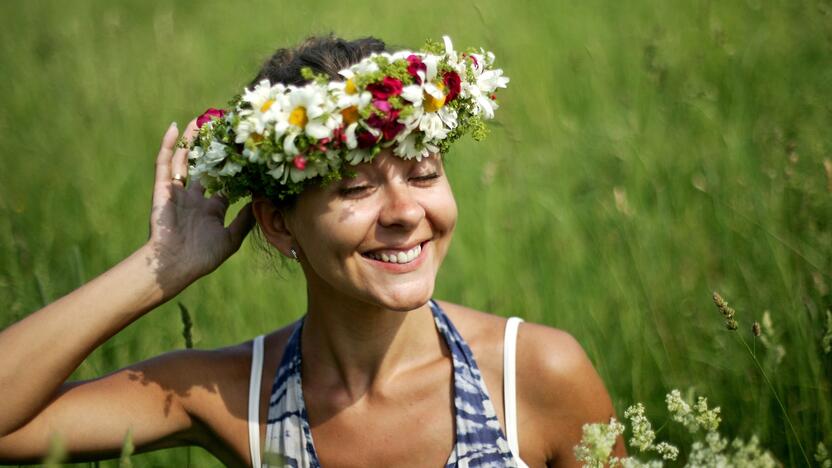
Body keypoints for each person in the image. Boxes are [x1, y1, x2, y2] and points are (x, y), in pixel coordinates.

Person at [0, 35, 625, 467]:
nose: (406, 212)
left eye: (425, 174)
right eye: (354, 187)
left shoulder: (534, 375)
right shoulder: (230, 397)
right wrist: (159, 267)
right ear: (277, 224)